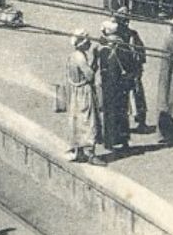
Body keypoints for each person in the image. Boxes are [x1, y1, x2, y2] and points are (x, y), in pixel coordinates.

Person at [96, 22, 137, 152]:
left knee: (109, 112)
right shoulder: (122, 45)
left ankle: (109, 141)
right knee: (122, 112)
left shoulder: (102, 48)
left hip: (108, 85)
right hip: (121, 85)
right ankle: (124, 140)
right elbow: (131, 64)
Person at [64, 31, 103, 164]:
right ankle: (91, 154)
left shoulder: (72, 56)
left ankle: (78, 151)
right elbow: (90, 75)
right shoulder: (81, 58)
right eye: (87, 42)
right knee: (89, 120)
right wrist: (96, 60)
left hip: (75, 91)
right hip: (84, 91)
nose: (89, 43)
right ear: (82, 43)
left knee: (77, 120)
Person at [114, 10, 151, 133]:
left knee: (138, 96)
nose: (126, 22)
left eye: (127, 20)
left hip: (134, 71)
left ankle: (141, 122)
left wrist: (139, 64)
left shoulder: (133, 34)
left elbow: (141, 50)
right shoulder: (115, 36)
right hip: (122, 72)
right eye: (123, 20)